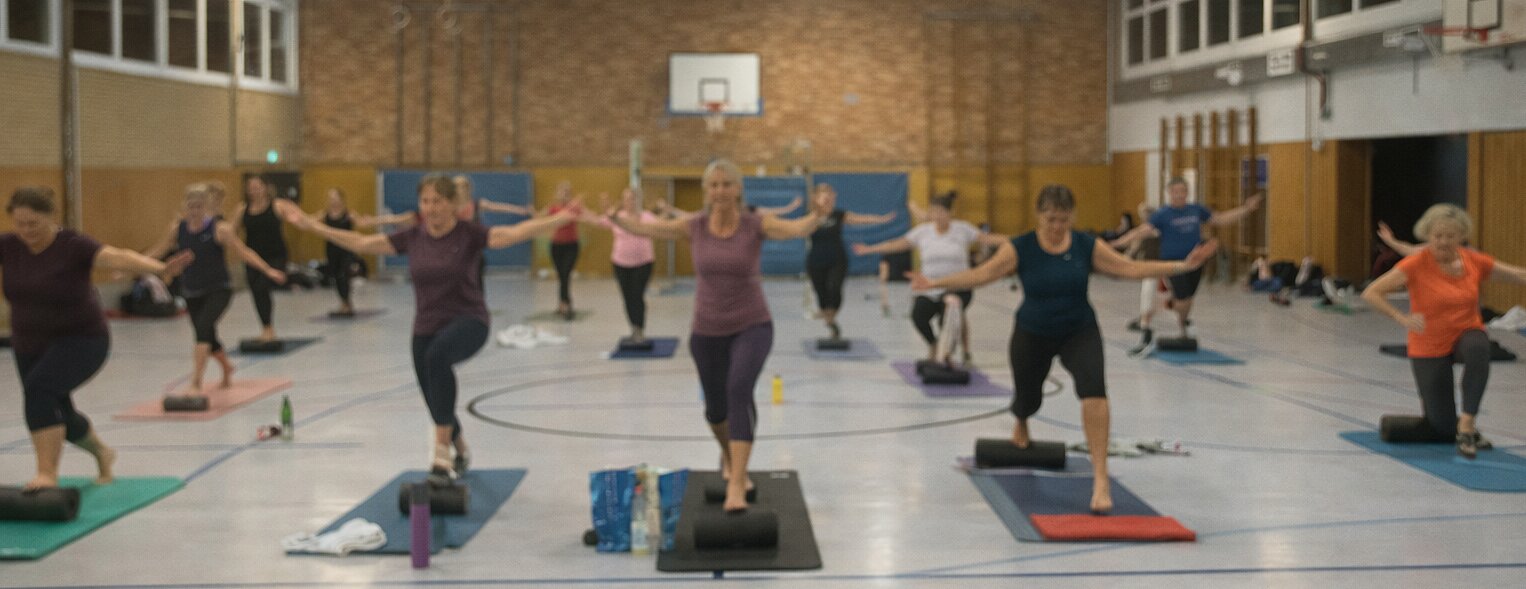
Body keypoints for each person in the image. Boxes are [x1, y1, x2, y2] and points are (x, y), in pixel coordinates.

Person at [910, 184, 1218, 513]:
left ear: (1072, 217)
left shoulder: (1086, 245)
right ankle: (1022, 419)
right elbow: (981, 274)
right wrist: (935, 284)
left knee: (1095, 393)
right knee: (1028, 399)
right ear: (1039, 216)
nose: (1057, 227)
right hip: (1032, 332)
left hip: (1078, 330)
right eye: (1050, 220)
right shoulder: (1021, 247)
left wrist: (1181, 266)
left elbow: (1127, 268)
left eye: (1063, 220)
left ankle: (1100, 478)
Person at [277, 174, 580, 481]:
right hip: (426, 326)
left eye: (438, 201)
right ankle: (460, 447)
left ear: (452, 204)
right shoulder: (413, 237)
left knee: (437, 359)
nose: (431, 208)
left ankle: (440, 453)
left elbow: (513, 233)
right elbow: (362, 242)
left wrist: (562, 218)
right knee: (433, 393)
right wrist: (313, 226)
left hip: (470, 320)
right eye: (425, 201)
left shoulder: (469, 234)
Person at [610, 159, 824, 512]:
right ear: (706, 191)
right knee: (715, 408)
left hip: (752, 325)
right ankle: (728, 456)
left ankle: (738, 482)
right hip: (706, 331)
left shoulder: (756, 225)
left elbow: (797, 229)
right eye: (713, 185)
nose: (720, 191)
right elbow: (651, 231)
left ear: (738, 189)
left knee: (739, 388)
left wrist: (816, 215)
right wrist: (617, 220)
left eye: (727, 185)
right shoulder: (694, 226)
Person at [3, 187, 192, 490]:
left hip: (82, 340)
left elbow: (118, 257)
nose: (27, 231)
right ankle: (103, 453)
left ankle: (46, 474)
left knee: (39, 390)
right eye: (20, 223)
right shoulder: (9, 245)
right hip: (29, 343)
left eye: (34, 224)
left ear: (50, 217)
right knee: (55, 407)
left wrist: (159, 268)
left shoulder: (73, 245)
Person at [1361, 204, 1526, 458]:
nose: (1443, 242)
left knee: (1478, 347)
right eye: (1437, 236)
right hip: (1428, 344)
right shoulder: (1416, 264)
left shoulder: (1473, 260)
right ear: (1428, 237)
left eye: (1450, 236)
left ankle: (1468, 425)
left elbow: (1516, 275)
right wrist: (1401, 317)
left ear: (1461, 238)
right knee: (1441, 428)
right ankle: (1444, 427)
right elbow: (1371, 293)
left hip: (1465, 333)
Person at [145, 184, 287, 393]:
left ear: (206, 207)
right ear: (185, 206)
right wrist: (132, 266)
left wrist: (268, 270)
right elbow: (159, 249)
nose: (194, 211)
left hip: (218, 290)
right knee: (207, 335)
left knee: (202, 329)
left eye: (199, 206)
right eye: (191, 206)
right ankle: (227, 367)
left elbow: (244, 252)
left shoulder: (219, 229)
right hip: (192, 291)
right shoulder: (178, 228)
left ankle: (195, 382)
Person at [1111, 178, 1262, 356]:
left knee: (1188, 299)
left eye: (1183, 191)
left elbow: (1220, 219)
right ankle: (1166, 316)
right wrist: (1116, 244)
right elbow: (1140, 232)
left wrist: (1246, 209)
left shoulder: (1196, 210)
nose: (1180, 194)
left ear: (1187, 192)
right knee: (1182, 299)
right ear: (1169, 193)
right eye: (1175, 191)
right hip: (1173, 264)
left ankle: (1179, 318)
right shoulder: (1162, 214)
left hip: (1195, 263)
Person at [853, 192, 1006, 366]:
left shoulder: (963, 229)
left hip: (958, 287)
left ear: (950, 213)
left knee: (949, 317)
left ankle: (953, 353)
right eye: (934, 212)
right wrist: (870, 249)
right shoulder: (923, 232)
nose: (938, 216)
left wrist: (1018, 242)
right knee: (918, 315)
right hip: (929, 287)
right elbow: (896, 244)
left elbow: (989, 239)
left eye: (942, 212)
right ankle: (934, 345)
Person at [804, 183, 895, 340]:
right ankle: (830, 320)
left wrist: (880, 219)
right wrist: (816, 210)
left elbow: (861, 219)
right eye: (821, 193)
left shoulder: (839, 215)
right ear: (815, 197)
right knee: (821, 294)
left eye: (828, 193)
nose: (825, 197)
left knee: (834, 288)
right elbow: (796, 229)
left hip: (837, 259)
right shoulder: (811, 217)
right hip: (816, 261)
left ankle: (831, 317)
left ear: (833, 196)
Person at [582, 187, 659, 343]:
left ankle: (639, 329)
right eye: (627, 199)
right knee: (627, 297)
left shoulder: (647, 217)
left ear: (638, 200)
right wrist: (581, 212)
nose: (630, 202)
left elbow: (660, 227)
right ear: (622, 201)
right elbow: (598, 221)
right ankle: (633, 328)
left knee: (637, 295)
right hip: (620, 263)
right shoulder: (617, 216)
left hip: (643, 263)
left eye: (633, 198)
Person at [226, 175, 289, 344]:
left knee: (263, 285)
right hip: (252, 258)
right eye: (250, 187)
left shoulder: (278, 206)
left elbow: (300, 219)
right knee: (256, 290)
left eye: (257, 186)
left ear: (265, 187)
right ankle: (267, 328)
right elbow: (229, 232)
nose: (254, 190)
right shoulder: (242, 209)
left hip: (276, 256)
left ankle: (268, 327)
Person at [294, 188, 361, 316]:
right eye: (331, 199)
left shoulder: (348, 215)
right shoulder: (325, 215)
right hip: (332, 250)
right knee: (336, 275)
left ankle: (347, 303)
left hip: (346, 249)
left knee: (343, 275)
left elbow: (362, 223)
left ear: (341, 200)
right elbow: (309, 222)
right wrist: (297, 215)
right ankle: (344, 302)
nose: (333, 201)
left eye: (335, 198)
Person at [541, 181, 583, 320]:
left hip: (571, 246)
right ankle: (562, 304)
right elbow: (540, 218)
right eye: (562, 191)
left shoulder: (574, 208)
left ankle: (566, 305)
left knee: (566, 273)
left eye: (567, 192)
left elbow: (580, 215)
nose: (564, 194)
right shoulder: (553, 208)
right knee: (561, 275)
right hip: (556, 246)